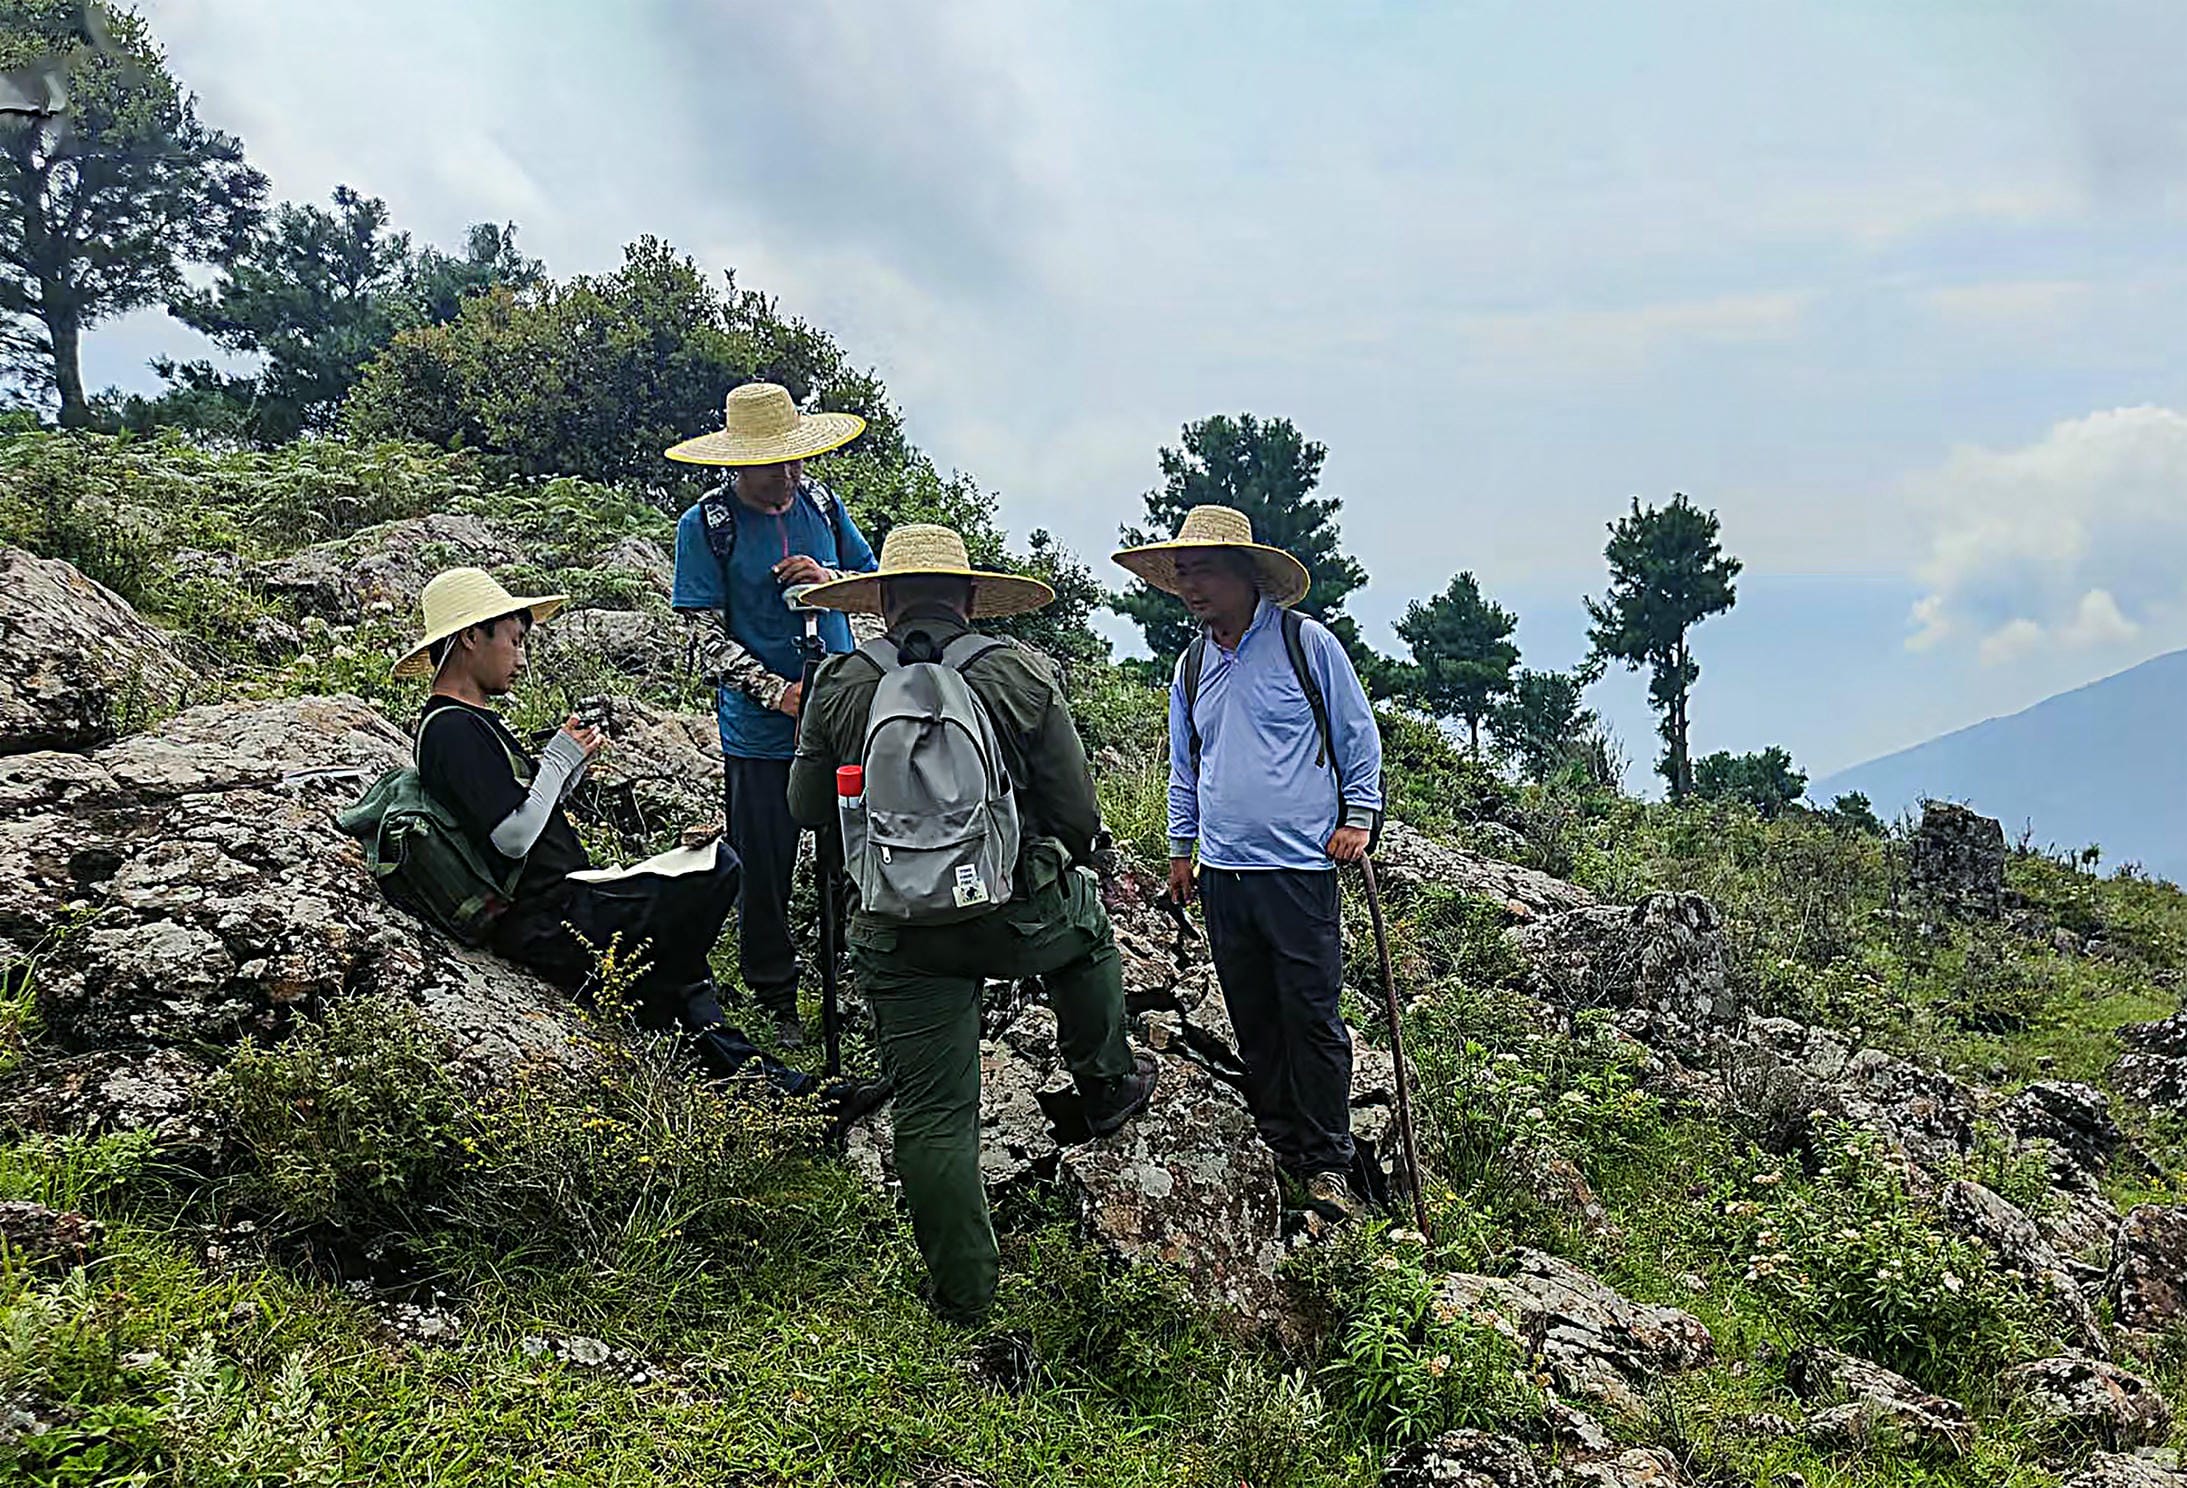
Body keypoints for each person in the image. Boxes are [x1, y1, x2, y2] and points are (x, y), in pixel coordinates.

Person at [787, 524, 1159, 1324]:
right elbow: (1077, 811)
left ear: (882, 602)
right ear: (967, 598)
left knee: (934, 1114)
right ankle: (1104, 1084)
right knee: (1087, 934)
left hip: (897, 929)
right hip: (1012, 914)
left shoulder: (842, 682)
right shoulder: (1016, 674)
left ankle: (964, 1298)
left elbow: (807, 809)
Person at [396, 566, 823, 1099]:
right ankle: (770, 1071)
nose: (521, 658)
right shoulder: (452, 728)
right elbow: (511, 837)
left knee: (682, 977)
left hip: (564, 904)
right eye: (514, 639)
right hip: (551, 914)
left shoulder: (468, 722)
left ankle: (791, 1091)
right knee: (716, 871)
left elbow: (521, 814)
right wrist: (557, 758)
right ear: (469, 637)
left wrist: (567, 768)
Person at [1112, 506, 1384, 1219]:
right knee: (1252, 1013)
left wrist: (1358, 819)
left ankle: (1326, 1159)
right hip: (1224, 871)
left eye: (1204, 571)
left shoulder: (1305, 644)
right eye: (1183, 574)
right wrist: (1180, 847)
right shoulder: (1193, 662)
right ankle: (1277, 1141)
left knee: (1311, 1016)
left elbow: (1357, 733)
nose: (1190, 587)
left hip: (1298, 868)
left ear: (1245, 576)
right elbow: (1184, 763)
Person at [667, 382, 879, 1048]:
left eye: (796, 459)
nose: (790, 475)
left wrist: (827, 580)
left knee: (859, 853)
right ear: (736, 463)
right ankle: (774, 996)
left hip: (843, 716)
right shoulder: (707, 526)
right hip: (762, 733)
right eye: (775, 464)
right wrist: (775, 691)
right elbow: (698, 632)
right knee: (766, 866)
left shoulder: (821, 501)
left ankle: (861, 975)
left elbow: (870, 582)